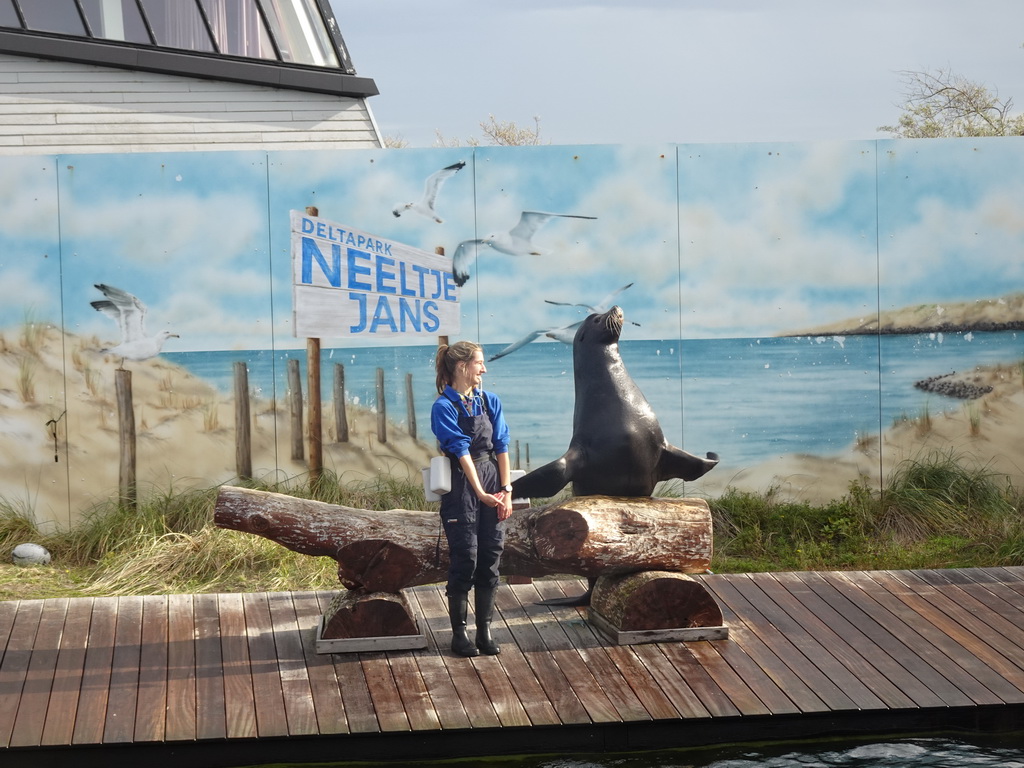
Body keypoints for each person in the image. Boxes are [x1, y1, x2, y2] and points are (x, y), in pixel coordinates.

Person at [431, 341, 514, 657]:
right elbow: (461, 451)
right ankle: (459, 635)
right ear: (463, 366)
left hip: (492, 475)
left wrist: (505, 489)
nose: (484, 369)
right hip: (461, 483)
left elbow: (502, 445)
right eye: (480, 363)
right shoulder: (444, 406)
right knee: (466, 556)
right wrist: (479, 492)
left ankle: (485, 632)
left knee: (491, 555)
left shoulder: (489, 400)